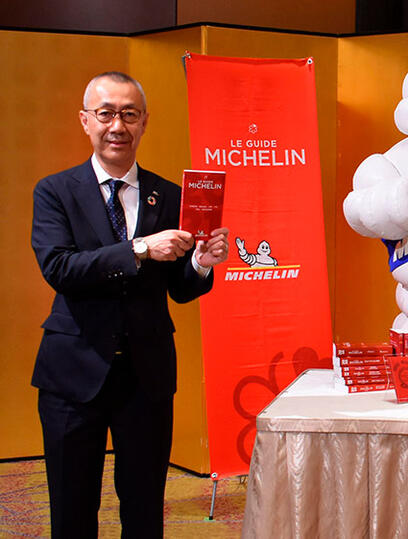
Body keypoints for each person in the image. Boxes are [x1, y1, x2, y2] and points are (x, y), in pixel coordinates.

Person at [31, 71, 230, 538]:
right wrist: (139, 248)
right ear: (86, 120)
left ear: (144, 122)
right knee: (71, 508)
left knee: (144, 508)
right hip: (72, 372)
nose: (117, 126)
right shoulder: (55, 191)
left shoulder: (172, 194)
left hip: (146, 376)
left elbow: (180, 288)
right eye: (106, 114)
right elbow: (60, 268)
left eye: (129, 114)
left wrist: (200, 263)